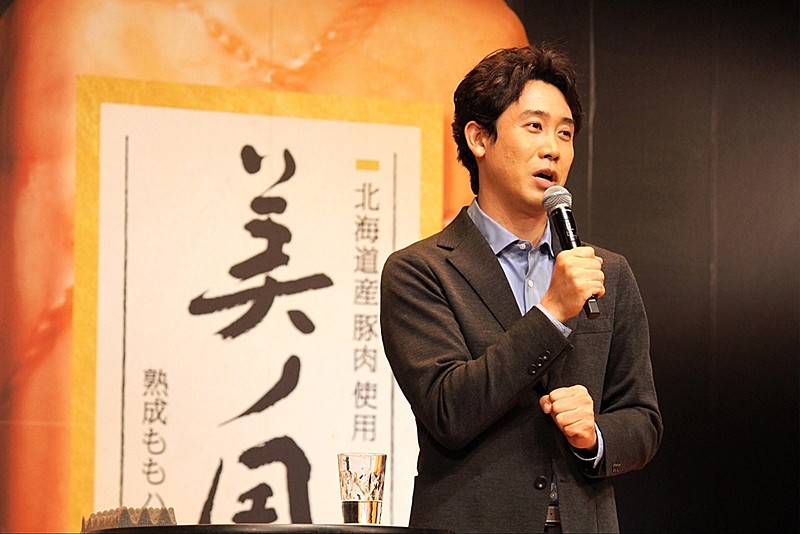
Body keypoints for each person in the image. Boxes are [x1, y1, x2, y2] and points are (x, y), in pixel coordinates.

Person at [380, 45, 662, 533]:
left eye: (565, 133)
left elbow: (642, 419)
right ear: (479, 138)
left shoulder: (606, 272)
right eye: (534, 126)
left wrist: (595, 435)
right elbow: (448, 410)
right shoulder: (420, 271)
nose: (553, 148)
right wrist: (551, 313)